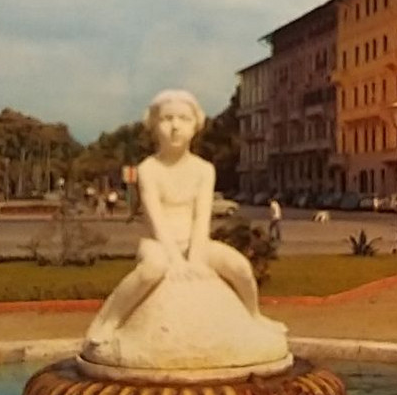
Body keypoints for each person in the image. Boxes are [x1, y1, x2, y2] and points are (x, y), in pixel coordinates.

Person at [84, 89, 282, 349]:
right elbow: (155, 219)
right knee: (151, 271)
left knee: (241, 268)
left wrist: (196, 257)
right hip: (157, 243)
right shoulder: (148, 170)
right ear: (154, 126)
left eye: (183, 119)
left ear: (195, 126)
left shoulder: (203, 169)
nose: (175, 126)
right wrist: (175, 260)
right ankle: (109, 320)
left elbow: (202, 217)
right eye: (167, 119)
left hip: (195, 243)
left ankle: (254, 315)